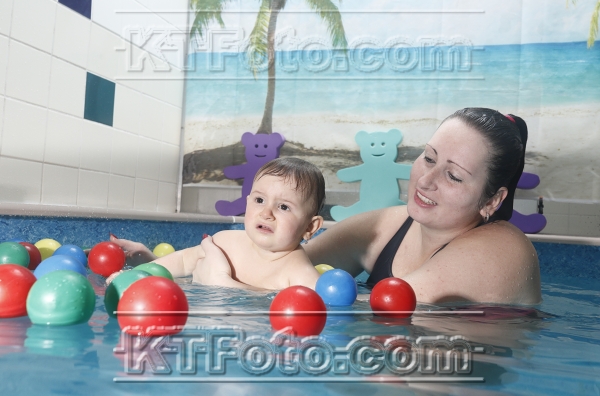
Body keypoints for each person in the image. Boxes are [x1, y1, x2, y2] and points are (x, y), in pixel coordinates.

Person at [304, 107, 541, 305]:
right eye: (429, 158)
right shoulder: (389, 225)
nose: (425, 181)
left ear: (492, 200)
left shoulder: (501, 251)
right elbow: (287, 263)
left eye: (453, 176)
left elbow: (378, 309)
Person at [110, 157, 325, 291]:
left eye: (284, 207)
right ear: (248, 201)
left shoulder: (300, 275)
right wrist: (142, 272)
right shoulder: (225, 242)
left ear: (310, 227)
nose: (266, 213)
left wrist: (225, 284)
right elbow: (184, 261)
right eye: (259, 200)